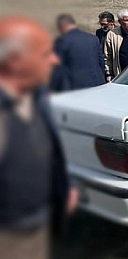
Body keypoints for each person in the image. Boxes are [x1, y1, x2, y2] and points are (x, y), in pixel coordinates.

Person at [0, 15, 78, 259]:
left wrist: (63, 188)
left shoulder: (36, 98)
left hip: (40, 225)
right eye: (45, 54)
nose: (54, 60)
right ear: (14, 61)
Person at [50, 14, 105, 92]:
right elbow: (101, 62)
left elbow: (58, 67)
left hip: (75, 87)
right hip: (96, 84)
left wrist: (53, 87)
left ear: (61, 26)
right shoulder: (93, 39)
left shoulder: (62, 41)